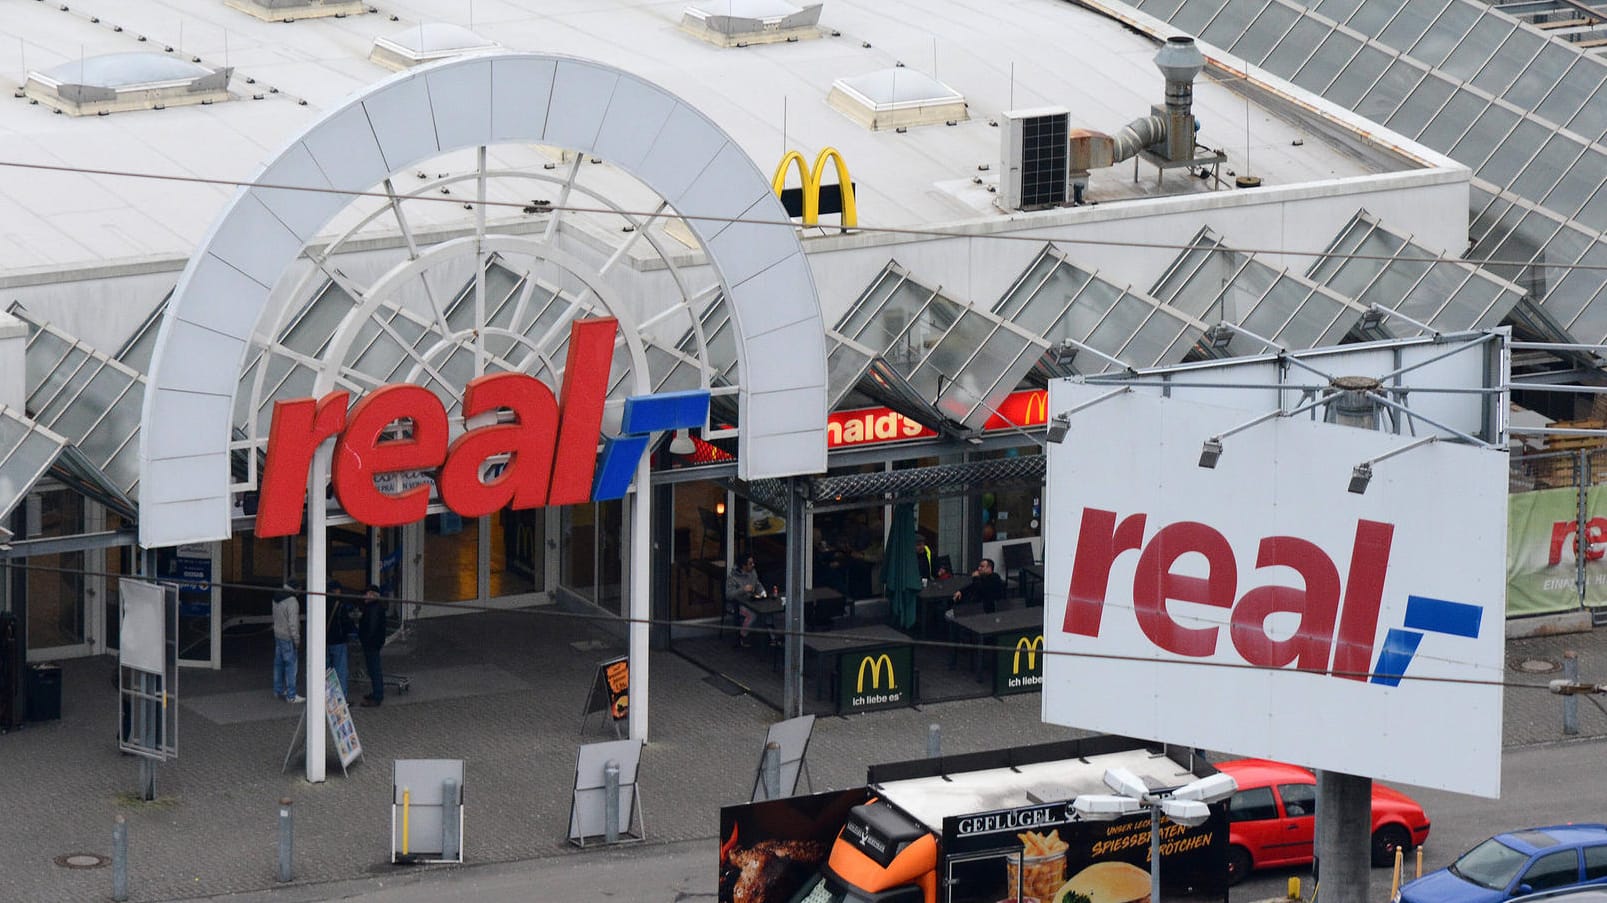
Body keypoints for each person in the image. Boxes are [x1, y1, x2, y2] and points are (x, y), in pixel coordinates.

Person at [725, 555, 765, 647]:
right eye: (750, 564)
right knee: (752, 615)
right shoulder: (733, 577)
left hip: (751, 601)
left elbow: (758, 584)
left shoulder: (753, 573)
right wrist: (743, 589)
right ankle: (743, 636)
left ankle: (771, 636)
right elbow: (729, 595)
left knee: (765, 612)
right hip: (737, 604)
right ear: (743, 566)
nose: (753, 565)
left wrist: (762, 592)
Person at [358, 585, 388, 707]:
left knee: (374, 669)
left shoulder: (374, 608)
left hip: (372, 643)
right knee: (373, 668)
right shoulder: (373, 607)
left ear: (373, 595)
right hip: (373, 642)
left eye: (367, 594)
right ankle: (376, 693)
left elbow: (372, 627)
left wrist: (366, 640)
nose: (365, 596)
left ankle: (377, 696)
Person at [271, 586, 303, 703]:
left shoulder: (276, 598)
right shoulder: (292, 602)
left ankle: (278, 690)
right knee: (291, 666)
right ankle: (291, 695)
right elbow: (293, 623)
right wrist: (297, 639)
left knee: (278, 664)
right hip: (288, 638)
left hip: (278, 634)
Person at [325, 581, 355, 701]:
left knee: (326, 669)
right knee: (340, 670)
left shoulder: (321, 602)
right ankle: (340, 698)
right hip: (338, 640)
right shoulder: (340, 604)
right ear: (336, 590)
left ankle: (326, 697)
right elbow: (346, 622)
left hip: (325, 640)